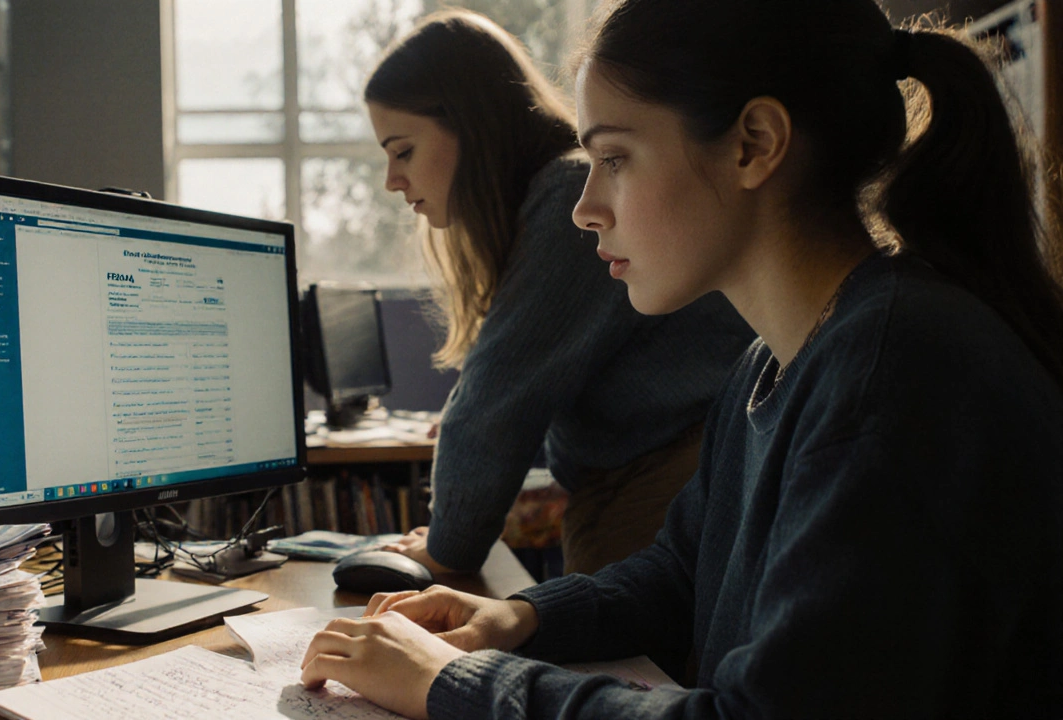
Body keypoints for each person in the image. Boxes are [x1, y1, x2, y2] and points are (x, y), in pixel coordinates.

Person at [300, 1, 1063, 717]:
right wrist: (518, 615)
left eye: (616, 159)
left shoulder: (893, 379)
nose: (584, 205)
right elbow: (680, 572)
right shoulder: (773, 362)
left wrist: (455, 683)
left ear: (753, 144)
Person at [364, 9, 755, 577]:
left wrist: (443, 552)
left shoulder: (572, 197)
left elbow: (498, 399)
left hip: (661, 483)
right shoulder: (557, 196)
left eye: (403, 151)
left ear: (472, 128)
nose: (392, 181)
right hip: (648, 478)